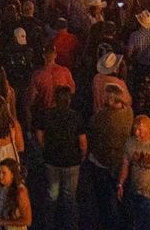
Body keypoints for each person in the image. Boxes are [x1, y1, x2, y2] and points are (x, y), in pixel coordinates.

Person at [34, 84, 85, 230]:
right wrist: (82, 156)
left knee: (52, 193)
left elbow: (39, 135)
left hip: (52, 160)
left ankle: (49, 223)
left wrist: (45, 148)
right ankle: (71, 225)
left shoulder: (46, 114)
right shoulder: (76, 117)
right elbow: (83, 143)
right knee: (70, 196)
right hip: (71, 161)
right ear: (69, 100)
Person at [88, 82, 134, 228]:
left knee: (106, 198)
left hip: (103, 161)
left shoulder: (102, 117)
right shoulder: (129, 112)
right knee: (120, 192)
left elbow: (92, 133)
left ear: (111, 98)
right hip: (122, 159)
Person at [0, 159, 32, 230]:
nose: (0, 175)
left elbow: (27, 220)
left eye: (4, 173)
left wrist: (3, 222)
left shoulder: (20, 191)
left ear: (12, 174)